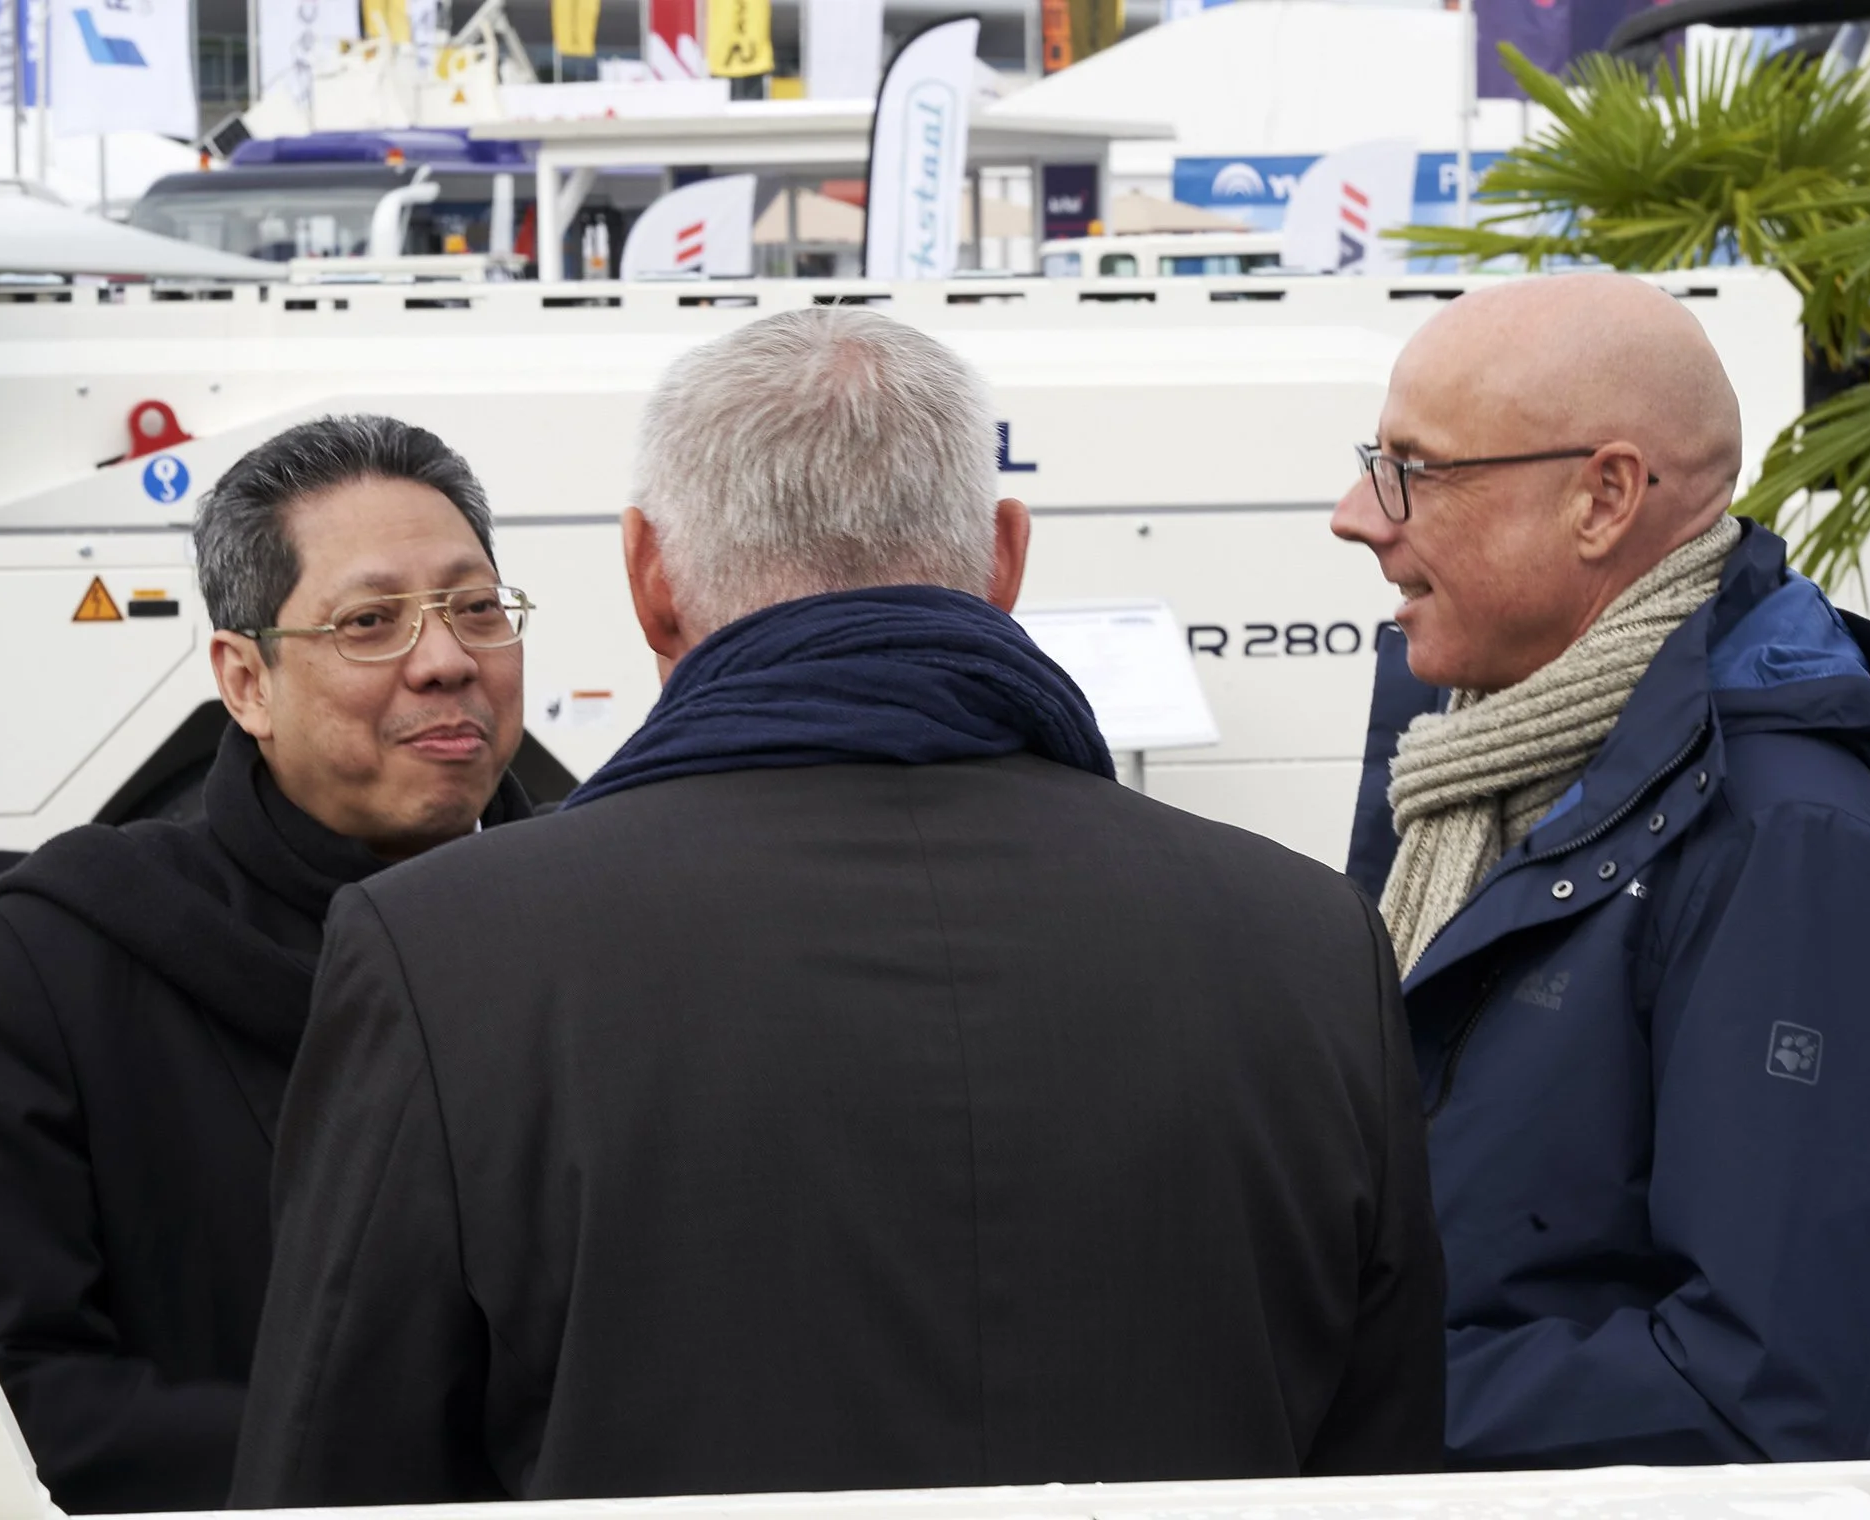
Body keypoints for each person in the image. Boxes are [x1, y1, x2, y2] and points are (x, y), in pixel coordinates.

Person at [230, 307, 1445, 1509]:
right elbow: (1389, 1464)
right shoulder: (1307, 941)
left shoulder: (445, 955)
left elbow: (333, 1477)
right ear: (1003, 560)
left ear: (650, 578)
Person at [1336, 272, 1870, 1468]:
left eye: (1410, 469)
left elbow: (1766, 1397)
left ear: (1604, 497)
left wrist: (1331, 1397)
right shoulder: (1472, 762)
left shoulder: (1791, 848)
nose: (1358, 514)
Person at [0, 415, 539, 1515]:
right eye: (372, 621)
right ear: (245, 680)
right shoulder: (67, 951)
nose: (446, 660)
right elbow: (11, 1388)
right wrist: (420, 1477)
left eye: (476, 607)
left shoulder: (593, 939)